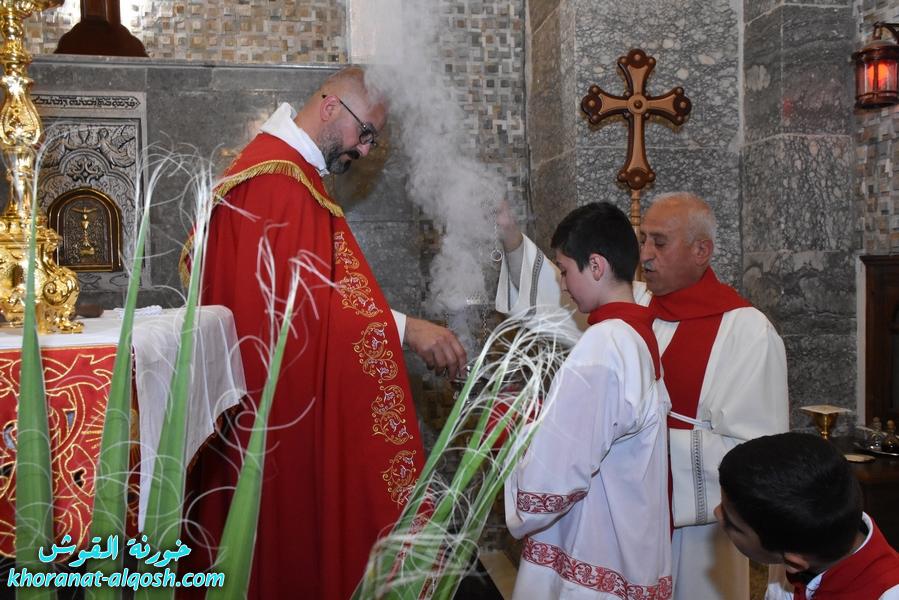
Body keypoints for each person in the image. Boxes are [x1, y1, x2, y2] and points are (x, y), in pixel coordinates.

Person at [182, 66, 467, 599]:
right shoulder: (278, 183)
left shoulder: (287, 173)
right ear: (331, 106)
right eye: (366, 133)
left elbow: (312, 299)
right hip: (277, 419)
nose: (364, 149)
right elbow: (301, 317)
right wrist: (406, 329)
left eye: (373, 140)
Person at [496, 192, 789, 600]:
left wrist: (641, 449)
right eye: (642, 240)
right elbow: (563, 282)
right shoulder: (632, 303)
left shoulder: (749, 331)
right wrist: (510, 235)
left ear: (701, 251)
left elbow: (762, 457)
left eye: (659, 243)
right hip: (624, 523)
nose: (645, 255)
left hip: (699, 536)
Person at [504, 202, 672, 599]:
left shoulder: (605, 343)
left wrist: (516, 437)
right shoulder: (634, 335)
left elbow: (555, 475)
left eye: (564, 271)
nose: (563, 285)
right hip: (626, 545)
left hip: (595, 551)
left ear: (595, 266)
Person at [717, 432, 899, 599]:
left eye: (733, 525)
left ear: (794, 563)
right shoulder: (795, 538)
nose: (717, 514)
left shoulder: (887, 593)